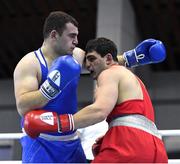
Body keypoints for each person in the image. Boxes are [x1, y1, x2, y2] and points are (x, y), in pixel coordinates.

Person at [23, 37, 168, 163]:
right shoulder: (134, 80)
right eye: (86, 62)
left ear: (109, 59)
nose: (88, 66)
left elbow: (99, 111)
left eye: (92, 59)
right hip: (156, 150)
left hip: (130, 146)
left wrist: (57, 123)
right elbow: (133, 117)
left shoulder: (109, 73)